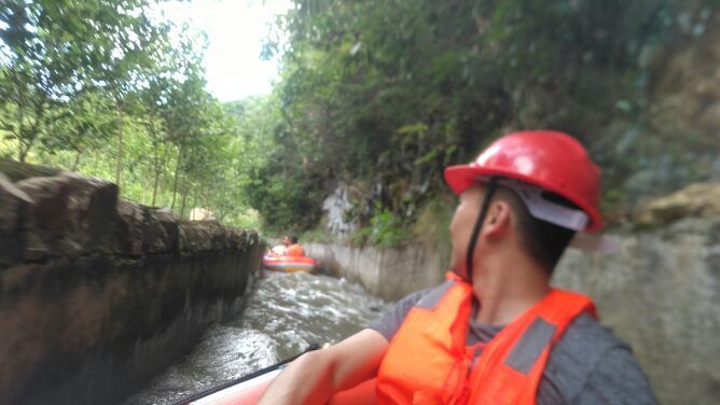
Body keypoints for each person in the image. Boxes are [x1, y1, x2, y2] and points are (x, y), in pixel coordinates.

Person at [258, 130, 656, 404]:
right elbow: (324, 366)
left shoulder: (595, 369)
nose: (452, 223)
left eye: (462, 204)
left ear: (494, 217)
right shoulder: (421, 306)